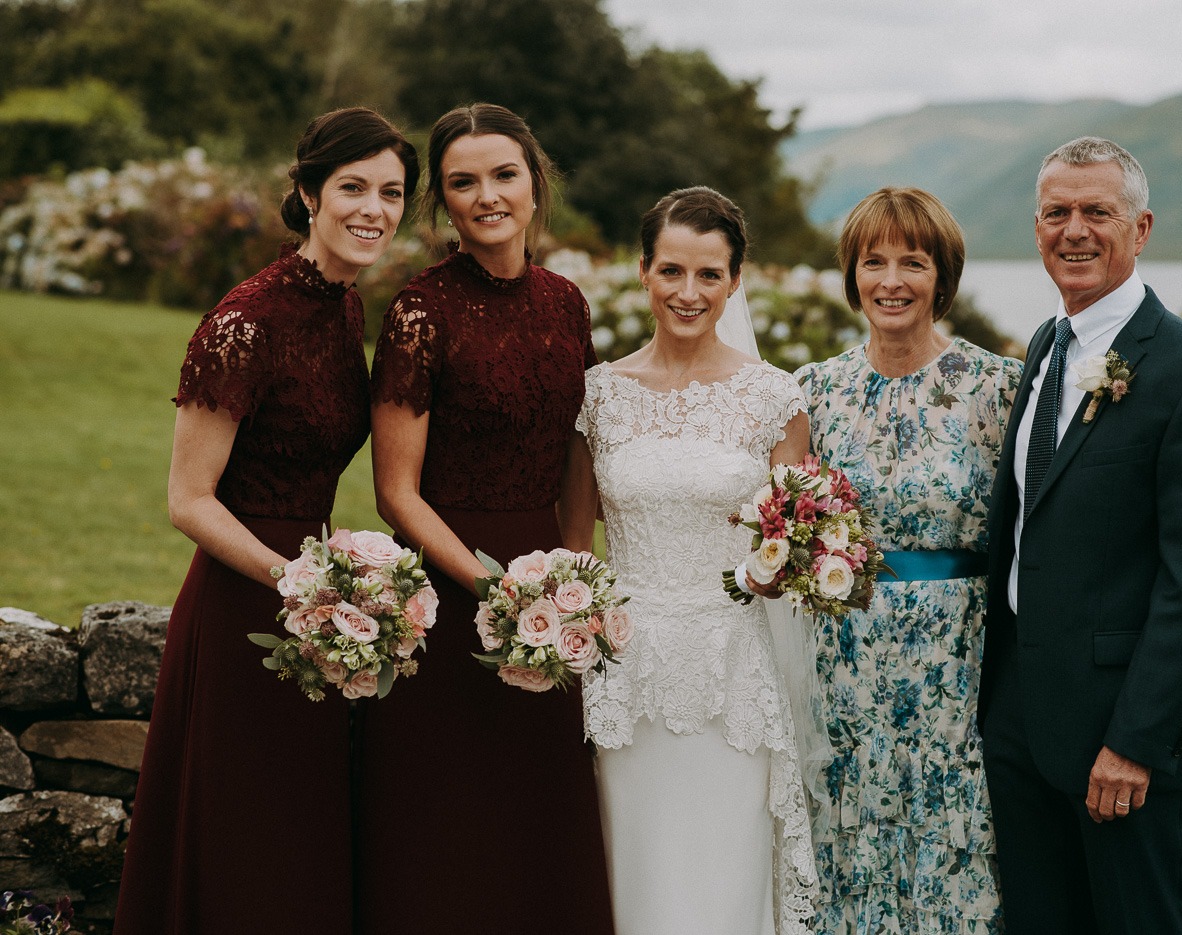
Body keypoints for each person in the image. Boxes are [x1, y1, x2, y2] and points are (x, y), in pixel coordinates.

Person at [113, 107, 417, 935]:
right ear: (309, 194)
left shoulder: (346, 310)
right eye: (352, 187)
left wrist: (330, 587)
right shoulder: (245, 320)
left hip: (315, 616)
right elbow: (188, 498)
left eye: (390, 192)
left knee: (295, 838)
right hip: (246, 603)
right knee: (241, 837)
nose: (373, 209)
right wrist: (295, 580)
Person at [977, 137, 1182, 934]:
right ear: (1035, 230)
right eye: (1056, 212)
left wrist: (1134, 742)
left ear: (1141, 229)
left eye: (1097, 211)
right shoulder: (1043, 348)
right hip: (1019, 725)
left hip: (1120, 740)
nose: (1075, 230)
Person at [359, 103, 613, 934]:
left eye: (504, 175)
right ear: (445, 202)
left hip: (549, 601)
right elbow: (394, 489)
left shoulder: (567, 304)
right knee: (447, 825)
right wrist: (492, 590)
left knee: (539, 817)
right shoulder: (420, 311)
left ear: (535, 183)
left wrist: (569, 576)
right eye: (463, 182)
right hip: (446, 594)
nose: (487, 196)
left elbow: (580, 449)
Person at [560, 186, 818, 935]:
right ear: (643, 271)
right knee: (632, 866)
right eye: (672, 270)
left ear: (736, 280)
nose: (689, 292)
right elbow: (576, 546)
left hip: (731, 673)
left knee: (724, 870)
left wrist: (778, 571)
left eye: (709, 275)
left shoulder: (774, 397)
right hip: (624, 674)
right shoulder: (600, 395)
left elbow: (792, 545)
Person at [794, 187, 1018, 933]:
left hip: (957, 666)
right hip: (842, 661)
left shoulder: (997, 389)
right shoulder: (813, 391)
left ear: (941, 276)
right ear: (852, 274)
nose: (891, 280)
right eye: (874, 261)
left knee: (953, 845)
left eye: (912, 262)